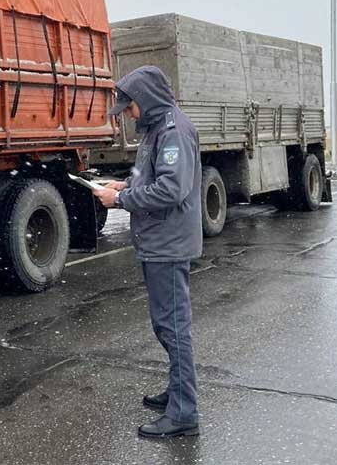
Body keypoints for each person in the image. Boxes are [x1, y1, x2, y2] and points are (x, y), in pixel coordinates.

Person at [93, 65, 202, 438]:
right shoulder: (157, 129)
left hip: (167, 244)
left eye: (129, 107)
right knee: (166, 325)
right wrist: (121, 183)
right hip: (159, 241)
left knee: (174, 328)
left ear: (146, 99)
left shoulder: (173, 131)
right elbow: (152, 179)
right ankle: (177, 394)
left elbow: (171, 189)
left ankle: (184, 413)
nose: (127, 113)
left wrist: (120, 199)